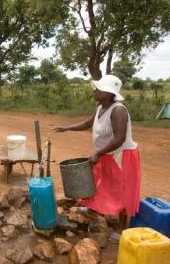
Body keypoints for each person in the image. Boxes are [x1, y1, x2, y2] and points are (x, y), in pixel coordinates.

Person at [53, 75, 141, 239]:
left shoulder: (118, 110)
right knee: (100, 182)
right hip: (106, 154)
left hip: (121, 155)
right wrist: (66, 128)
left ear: (108, 93)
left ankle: (121, 227)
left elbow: (119, 138)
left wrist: (98, 153)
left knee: (121, 189)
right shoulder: (101, 108)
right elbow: (87, 124)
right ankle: (93, 208)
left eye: (98, 89)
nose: (95, 91)